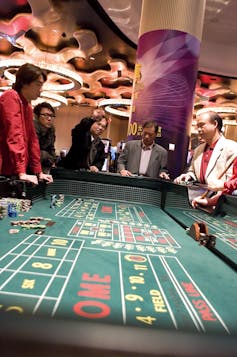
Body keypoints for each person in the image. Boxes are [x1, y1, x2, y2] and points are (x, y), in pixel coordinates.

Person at [0, 63, 53, 185]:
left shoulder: (27, 106)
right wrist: (21, 173)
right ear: (24, 83)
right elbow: (14, 134)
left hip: (13, 170)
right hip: (4, 168)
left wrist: (38, 171)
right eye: (38, 84)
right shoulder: (11, 96)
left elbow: (32, 140)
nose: (41, 89)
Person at [174, 111, 237, 188]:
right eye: (198, 126)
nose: (199, 129)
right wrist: (189, 176)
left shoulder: (231, 148)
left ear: (214, 124)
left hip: (220, 196)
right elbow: (192, 171)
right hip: (198, 195)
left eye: (202, 125)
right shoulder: (198, 150)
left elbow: (231, 179)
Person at [62, 108, 109, 172]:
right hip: (71, 171)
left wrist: (96, 166)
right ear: (92, 123)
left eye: (103, 127)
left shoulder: (101, 145)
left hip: (87, 175)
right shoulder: (82, 135)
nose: (100, 128)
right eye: (98, 124)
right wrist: (92, 118)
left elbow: (100, 161)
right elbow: (79, 129)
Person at [33, 102, 56, 173]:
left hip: (44, 166)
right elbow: (33, 151)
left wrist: (52, 160)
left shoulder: (51, 130)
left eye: (52, 116)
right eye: (46, 115)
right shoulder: (32, 128)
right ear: (37, 116)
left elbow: (52, 149)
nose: (49, 118)